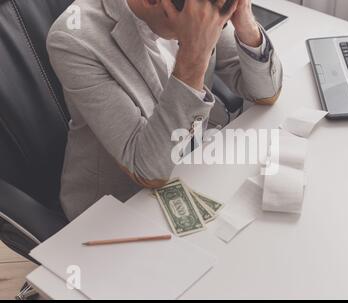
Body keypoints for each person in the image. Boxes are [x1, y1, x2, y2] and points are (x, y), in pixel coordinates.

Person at [48, 0, 283, 220]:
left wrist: (244, 21)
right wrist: (195, 51)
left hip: (197, 166)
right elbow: (146, 168)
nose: (215, 25)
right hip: (118, 208)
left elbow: (265, 90)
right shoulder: (73, 38)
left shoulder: (198, 6)